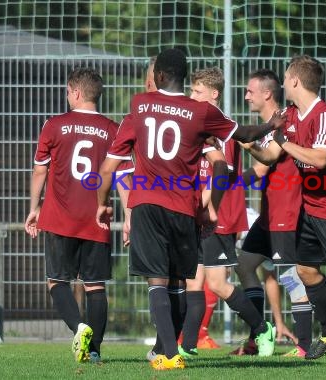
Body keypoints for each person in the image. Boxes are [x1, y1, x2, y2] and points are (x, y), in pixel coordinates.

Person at [95, 49, 283, 370]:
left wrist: (101, 203)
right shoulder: (199, 113)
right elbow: (241, 140)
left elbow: (109, 168)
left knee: (159, 282)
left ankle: (170, 353)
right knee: (182, 283)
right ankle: (169, 350)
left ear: (158, 77)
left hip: (147, 204)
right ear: (184, 78)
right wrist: (272, 125)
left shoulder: (139, 106)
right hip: (184, 208)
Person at [244, 55, 326, 368]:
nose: (283, 82)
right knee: (305, 270)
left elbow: (320, 159)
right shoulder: (288, 115)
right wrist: (249, 145)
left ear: (295, 81)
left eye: (286, 78)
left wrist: (283, 143)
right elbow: (271, 153)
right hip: (309, 208)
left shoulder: (325, 114)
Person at [179, 67, 278, 359]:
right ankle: (187, 346)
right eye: (191, 90)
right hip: (202, 213)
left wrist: (208, 206)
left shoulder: (221, 127)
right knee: (193, 281)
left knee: (218, 284)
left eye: (197, 91)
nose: (191, 96)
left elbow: (220, 175)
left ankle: (262, 328)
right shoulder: (198, 124)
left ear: (214, 94)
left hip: (219, 214)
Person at [24, 67, 120, 364]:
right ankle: (94, 352)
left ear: (76, 92)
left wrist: (33, 208)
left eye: (67, 92)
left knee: (57, 281)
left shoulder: (54, 125)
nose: (67, 96)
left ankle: (79, 329)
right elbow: (124, 176)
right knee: (95, 286)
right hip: (96, 219)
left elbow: (41, 169)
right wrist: (128, 216)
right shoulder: (113, 129)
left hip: (59, 217)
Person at [232, 69, 309, 357]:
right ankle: (258, 334)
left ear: (267, 94)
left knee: (291, 276)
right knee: (244, 265)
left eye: (250, 90)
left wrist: (227, 183)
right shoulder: (267, 125)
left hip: (285, 213)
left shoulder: (283, 123)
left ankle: (303, 345)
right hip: (268, 215)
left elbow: (263, 167)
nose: (246, 95)